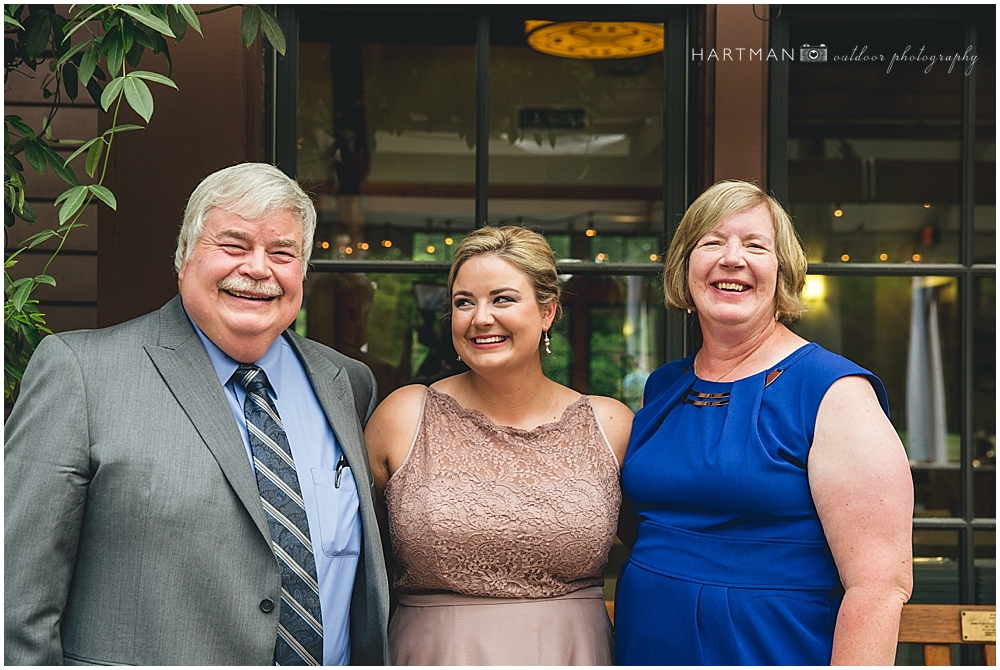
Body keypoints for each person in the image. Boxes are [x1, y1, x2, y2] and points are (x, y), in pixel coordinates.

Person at [4, 163, 389, 665]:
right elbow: (15, 601)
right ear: (184, 256)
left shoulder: (348, 385)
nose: (257, 268)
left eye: (282, 252)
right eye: (233, 245)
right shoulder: (81, 373)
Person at [614, 180, 913, 665]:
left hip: (770, 649)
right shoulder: (664, 386)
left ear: (783, 272)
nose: (732, 258)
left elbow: (879, 586)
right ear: (685, 267)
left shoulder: (832, 392)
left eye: (756, 245)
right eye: (712, 242)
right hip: (646, 647)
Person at [365, 225, 632, 665]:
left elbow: (661, 554)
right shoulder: (404, 417)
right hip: (433, 653)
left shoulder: (609, 425)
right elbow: (347, 554)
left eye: (502, 298)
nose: (480, 317)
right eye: (463, 302)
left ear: (548, 312)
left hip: (573, 653)